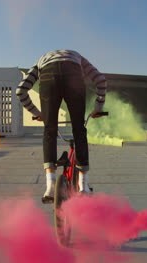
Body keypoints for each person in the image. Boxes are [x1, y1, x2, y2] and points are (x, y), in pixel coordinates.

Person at [16, 49, 107, 203]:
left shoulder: (41, 60)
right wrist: (98, 107)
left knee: (49, 131)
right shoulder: (77, 56)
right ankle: (83, 186)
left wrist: (39, 113)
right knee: (79, 130)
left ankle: (50, 185)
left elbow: (20, 91)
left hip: (47, 77)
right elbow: (101, 80)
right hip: (74, 75)